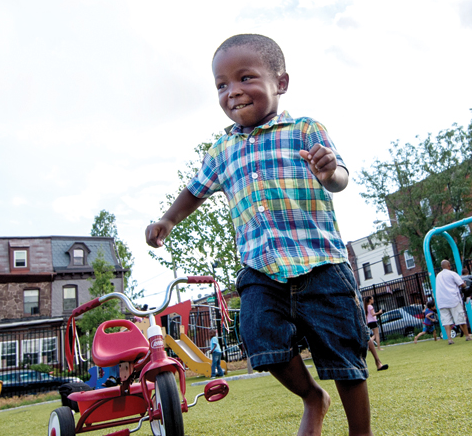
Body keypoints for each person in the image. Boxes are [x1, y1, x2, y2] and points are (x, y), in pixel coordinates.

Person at [145, 34, 372, 435]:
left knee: (343, 353)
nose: (233, 92)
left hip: (321, 262)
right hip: (260, 268)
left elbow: (339, 179)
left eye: (245, 78)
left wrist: (329, 172)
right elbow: (194, 190)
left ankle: (361, 432)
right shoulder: (221, 150)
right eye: (221, 85)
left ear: (280, 83)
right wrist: (168, 221)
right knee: (259, 338)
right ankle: (312, 397)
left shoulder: (304, 130)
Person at [435, 259, 472, 344]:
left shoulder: (438, 276)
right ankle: (467, 336)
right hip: (453, 299)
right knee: (460, 318)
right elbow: (462, 285)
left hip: (441, 301)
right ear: (449, 266)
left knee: (446, 321)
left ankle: (449, 339)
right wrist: (464, 283)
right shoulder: (452, 273)